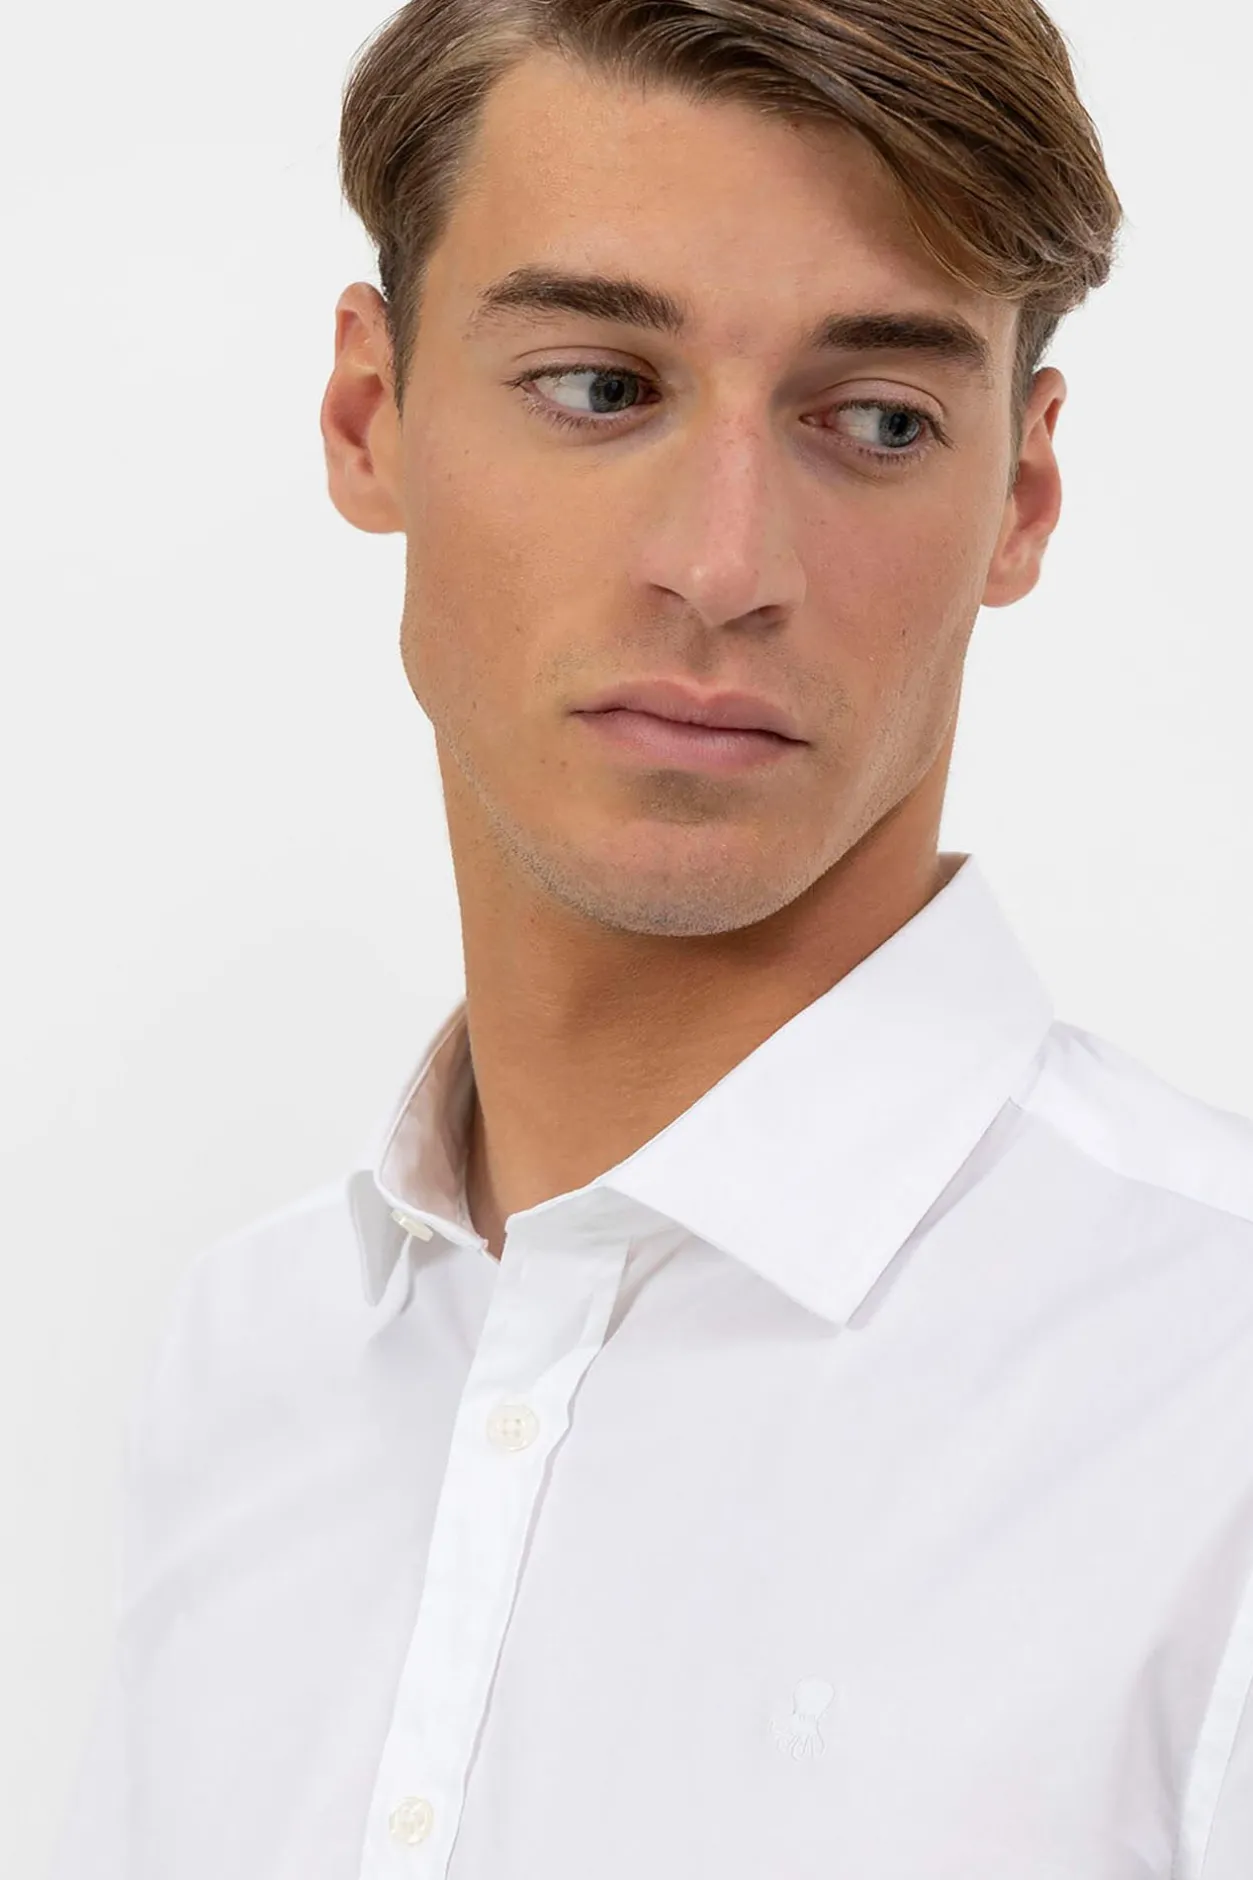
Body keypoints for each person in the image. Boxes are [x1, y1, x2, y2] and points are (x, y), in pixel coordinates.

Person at [51, 2, 1253, 1876]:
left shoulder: (1211, 1398)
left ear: (1020, 497)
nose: (722, 564)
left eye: (878, 419)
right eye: (601, 386)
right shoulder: (248, 1367)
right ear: (370, 417)